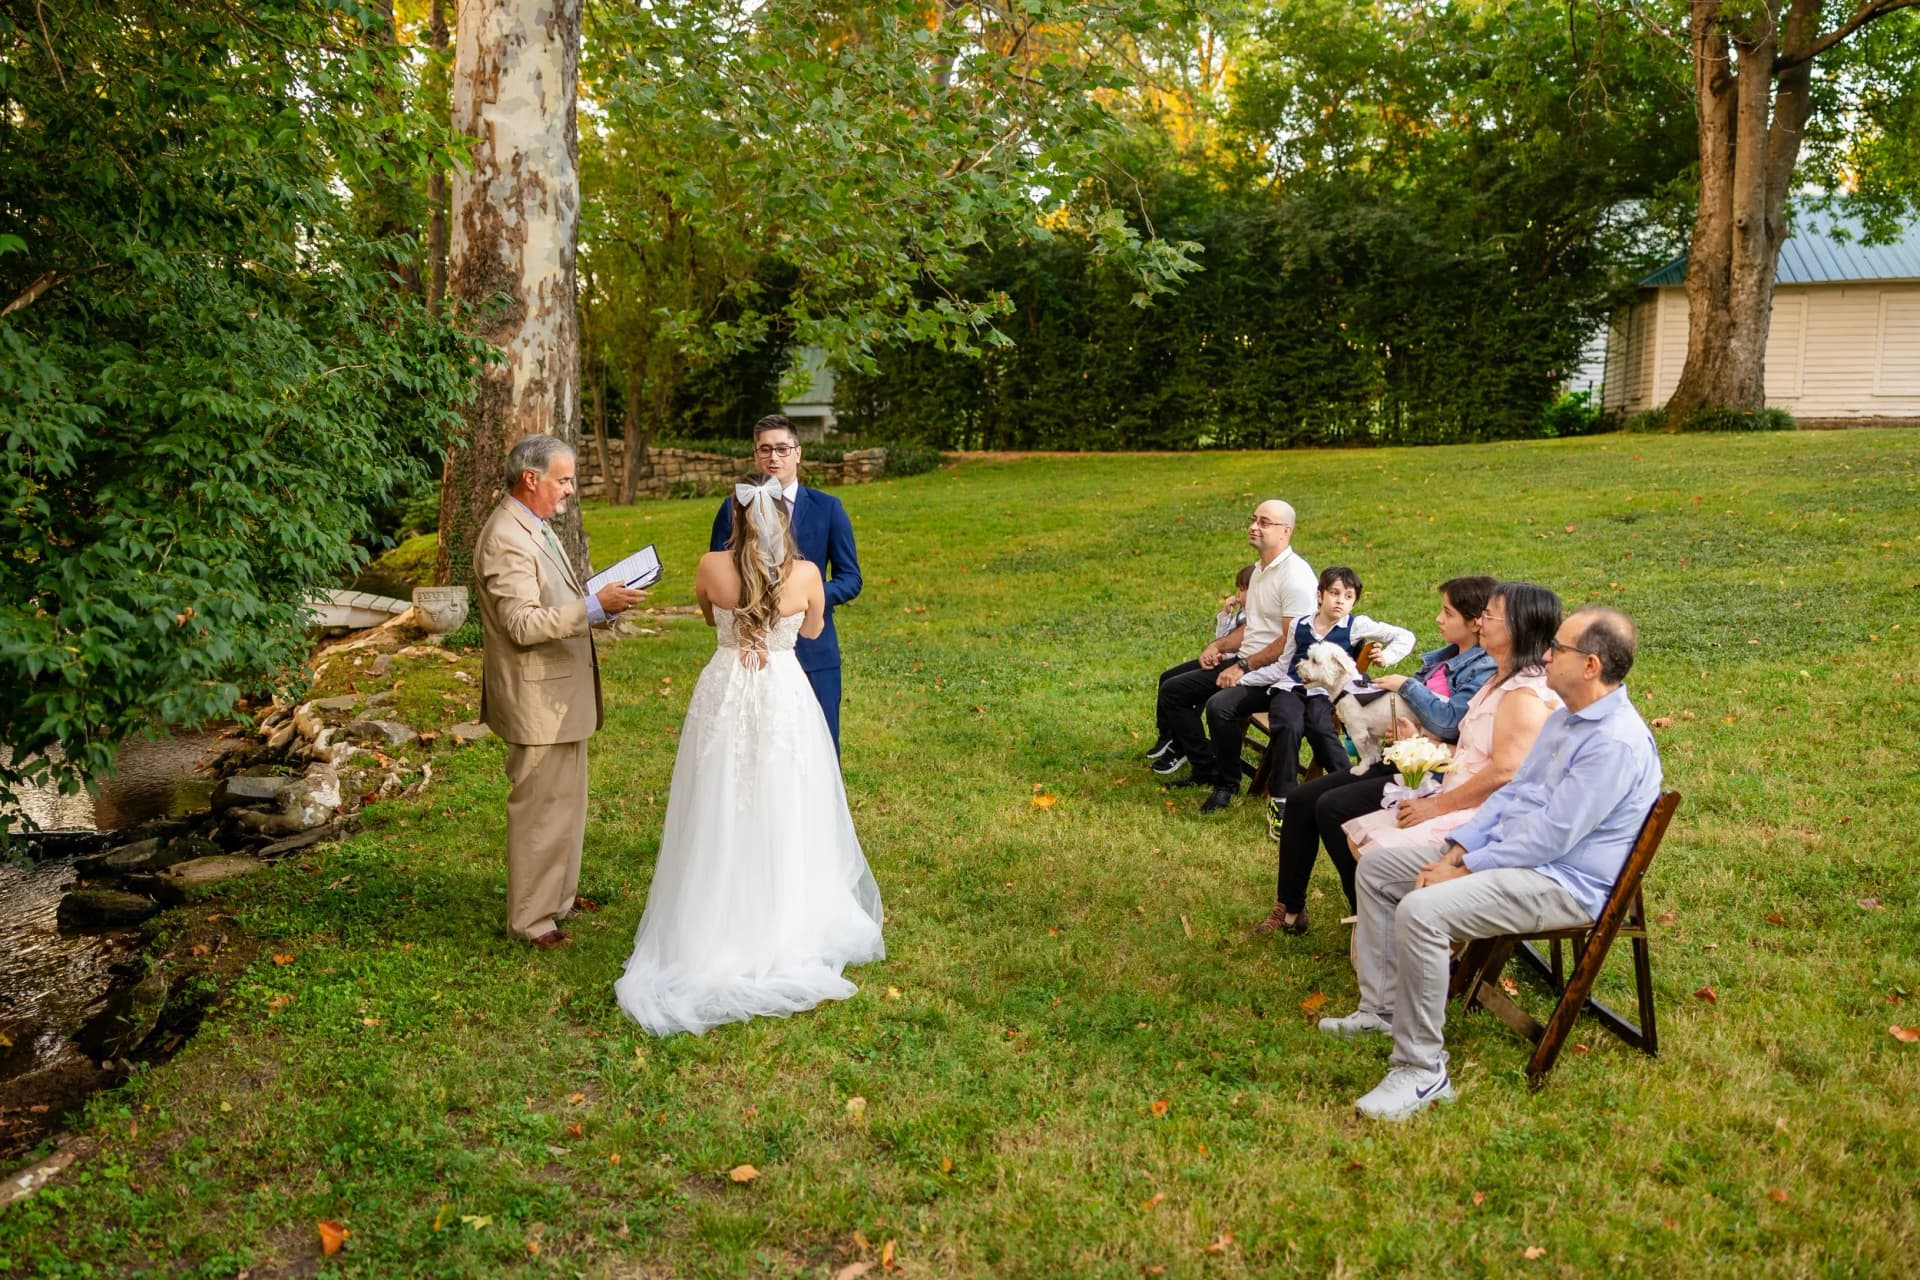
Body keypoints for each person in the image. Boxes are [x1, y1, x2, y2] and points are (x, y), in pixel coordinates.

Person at [1319, 606, 1660, 1121]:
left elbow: (1552, 837)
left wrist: (1466, 867)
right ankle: (1383, 1010)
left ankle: (1422, 1070)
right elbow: (1512, 795)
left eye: (1559, 649)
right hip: (1517, 855)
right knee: (1380, 871)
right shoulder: (1568, 717)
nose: (1546, 654)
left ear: (1591, 666)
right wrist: (1459, 848)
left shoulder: (1613, 742)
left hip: (1561, 880)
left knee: (1424, 911)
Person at [617, 479, 885, 1037]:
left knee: (718, 794)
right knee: (788, 795)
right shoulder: (808, 576)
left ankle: (710, 918)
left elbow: (706, 614)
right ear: (782, 524)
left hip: (725, 687)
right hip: (785, 691)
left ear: (735, 521)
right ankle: (789, 917)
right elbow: (812, 627)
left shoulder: (710, 567)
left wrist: (745, 631)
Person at [1251, 576, 1501, 937]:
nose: (1438, 619)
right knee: (1304, 798)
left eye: (1447, 612)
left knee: (1331, 807)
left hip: (1430, 771)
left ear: (1475, 620)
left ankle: (1368, 913)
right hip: (1401, 756)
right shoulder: (1446, 657)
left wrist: (1406, 687)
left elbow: (1453, 723)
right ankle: (1289, 908)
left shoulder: (1480, 668)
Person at [472, 435, 646, 949]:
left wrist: (603, 603)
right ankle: (531, 921)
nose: (571, 490)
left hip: (560, 696)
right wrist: (593, 607)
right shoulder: (506, 536)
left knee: (566, 805)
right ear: (531, 479)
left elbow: (555, 599)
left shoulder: (535, 525)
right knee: (541, 811)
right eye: (564, 480)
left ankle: (557, 900)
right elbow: (521, 624)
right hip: (535, 700)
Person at [709, 415, 861, 751]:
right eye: (765, 450)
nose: (773, 457)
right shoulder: (731, 508)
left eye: (782, 448)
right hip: (750, 652)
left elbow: (851, 579)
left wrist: (807, 597)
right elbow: (719, 576)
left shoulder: (828, 508)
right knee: (753, 749)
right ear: (755, 455)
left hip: (812, 646)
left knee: (820, 745)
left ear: (798, 453)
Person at [1153, 500, 1317, 810]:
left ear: (1286, 531)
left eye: (1264, 522)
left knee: (1219, 707)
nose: (1254, 526)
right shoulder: (1258, 570)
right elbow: (1254, 627)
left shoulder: (1295, 577)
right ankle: (1205, 767)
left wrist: (1242, 666)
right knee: (1172, 689)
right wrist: (1218, 647)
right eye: (1254, 519)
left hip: (1278, 676)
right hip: (1246, 662)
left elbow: (1289, 641)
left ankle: (1226, 785)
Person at [1237, 566, 1415, 824]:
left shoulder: (1356, 625)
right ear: (1319, 595)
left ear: (1354, 601)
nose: (1340, 600)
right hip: (1292, 687)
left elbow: (1405, 636)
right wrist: (1245, 678)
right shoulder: (1300, 623)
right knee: (1288, 723)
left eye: (1348, 596)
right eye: (1334, 593)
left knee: (1321, 728)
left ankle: (1353, 788)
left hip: (1326, 694)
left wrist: (1387, 657)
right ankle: (1281, 799)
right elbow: (1284, 664)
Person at [1145, 563, 1256, 771]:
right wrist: (1226, 616)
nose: (1239, 594)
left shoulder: (1259, 615)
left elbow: (1244, 645)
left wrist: (1222, 652)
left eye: (1243, 589)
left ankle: (1185, 750)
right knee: (1167, 678)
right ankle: (1167, 737)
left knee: (1177, 690)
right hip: (1221, 660)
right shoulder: (1242, 613)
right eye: (1238, 588)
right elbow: (1223, 639)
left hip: (1237, 668)